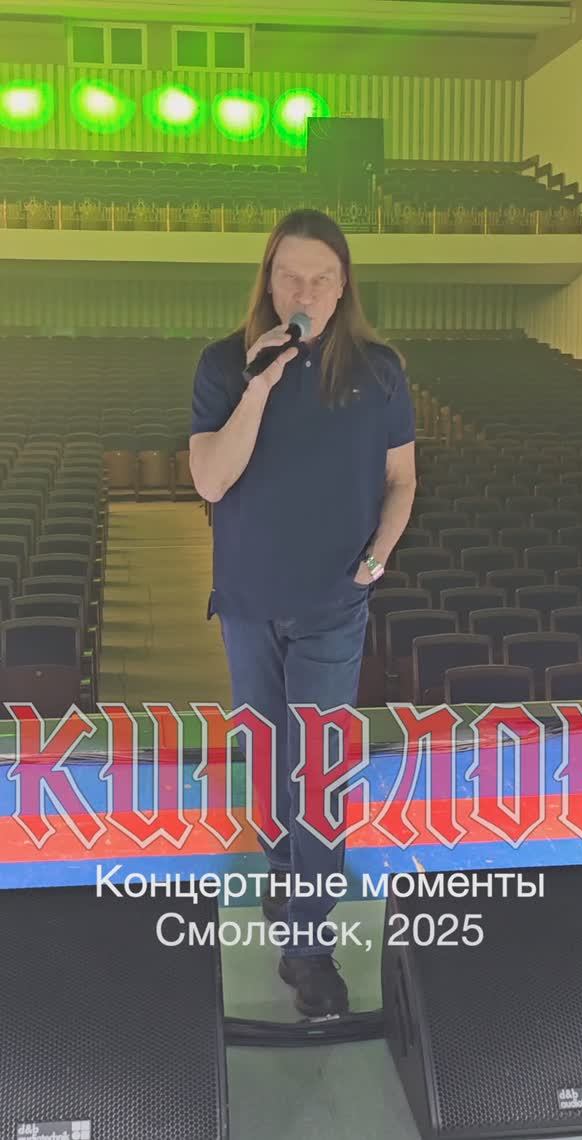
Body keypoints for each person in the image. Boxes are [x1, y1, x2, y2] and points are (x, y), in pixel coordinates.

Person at [189, 208, 416, 1017]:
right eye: (290, 275)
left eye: (322, 278)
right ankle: (287, 879)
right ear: (269, 278)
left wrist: (377, 558)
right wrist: (260, 384)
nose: (305, 292)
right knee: (270, 768)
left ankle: (309, 947)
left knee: (316, 775)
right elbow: (211, 479)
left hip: (332, 605)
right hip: (249, 604)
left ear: (343, 285)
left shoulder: (380, 372)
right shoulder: (225, 365)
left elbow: (401, 480)